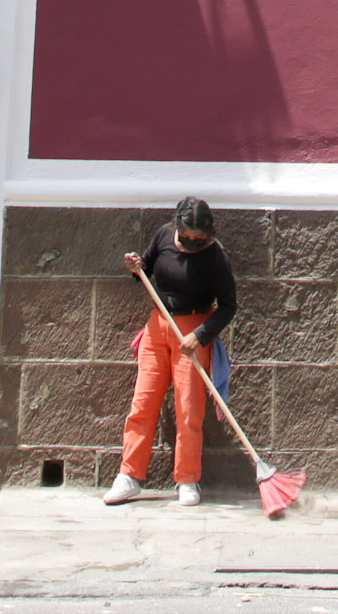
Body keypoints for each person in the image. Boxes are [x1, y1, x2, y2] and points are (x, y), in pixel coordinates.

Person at [106, 196, 238, 506]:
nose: (192, 242)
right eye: (187, 236)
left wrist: (201, 335)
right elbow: (145, 269)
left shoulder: (216, 257)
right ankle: (129, 476)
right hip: (157, 327)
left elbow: (228, 306)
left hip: (193, 331)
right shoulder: (164, 235)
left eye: (199, 238)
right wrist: (135, 267)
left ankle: (188, 479)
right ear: (177, 227)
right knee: (143, 402)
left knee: (189, 408)